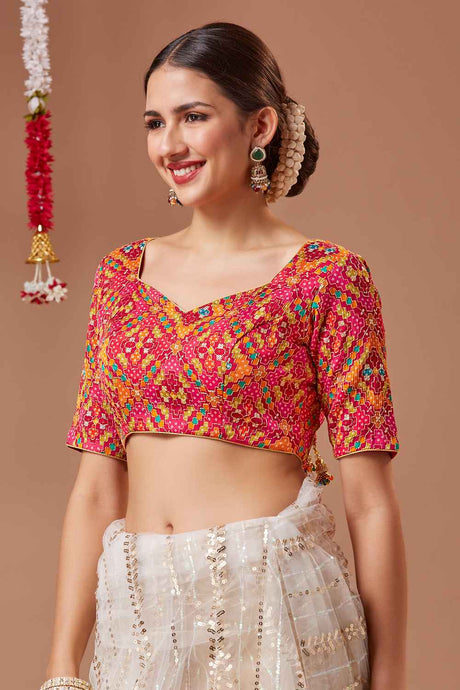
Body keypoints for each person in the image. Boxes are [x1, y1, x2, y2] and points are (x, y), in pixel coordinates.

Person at [42, 21, 407, 690]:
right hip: (139, 618)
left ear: (259, 125)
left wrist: (389, 676)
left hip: (273, 611)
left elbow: (370, 503)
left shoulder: (327, 277)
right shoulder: (121, 277)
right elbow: (95, 487)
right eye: (154, 123)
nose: (169, 144)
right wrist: (62, 666)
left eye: (194, 117)